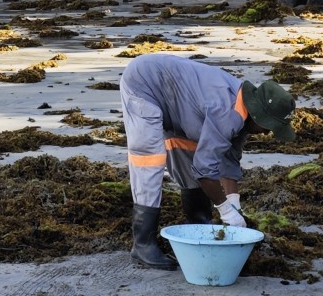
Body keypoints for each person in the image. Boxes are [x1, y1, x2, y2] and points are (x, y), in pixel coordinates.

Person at [118, 53, 295, 270]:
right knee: (149, 159)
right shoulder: (227, 113)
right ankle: (143, 244)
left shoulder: (244, 113)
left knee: (188, 154)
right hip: (145, 83)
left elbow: (228, 160)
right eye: (269, 127)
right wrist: (225, 210)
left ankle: (199, 223)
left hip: (181, 105)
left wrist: (234, 204)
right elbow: (204, 170)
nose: (268, 133)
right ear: (259, 116)